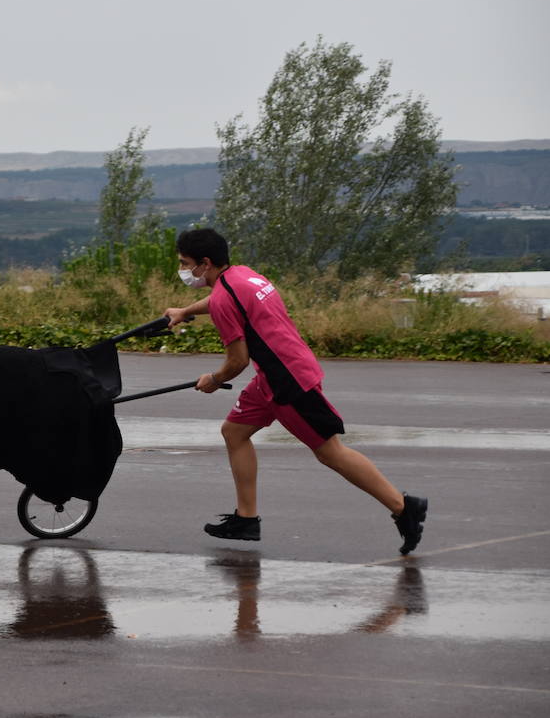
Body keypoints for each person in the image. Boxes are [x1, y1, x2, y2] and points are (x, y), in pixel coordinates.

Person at [163, 228, 427, 554]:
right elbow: (221, 299)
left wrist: (214, 380)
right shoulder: (243, 276)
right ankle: (246, 519)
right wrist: (186, 311)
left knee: (330, 452)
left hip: (289, 382)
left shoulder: (223, 298)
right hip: (275, 375)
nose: (184, 270)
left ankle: (403, 507)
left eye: (186, 264)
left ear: (204, 264)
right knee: (234, 432)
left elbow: (237, 360)